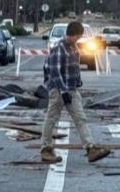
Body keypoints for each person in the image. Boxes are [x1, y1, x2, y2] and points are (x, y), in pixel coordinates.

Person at [40, 20, 111, 165]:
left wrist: (76, 84)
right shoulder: (59, 49)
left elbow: (74, 68)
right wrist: (62, 90)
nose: (79, 39)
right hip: (57, 90)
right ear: (71, 34)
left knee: (81, 118)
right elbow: (54, 72)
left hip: (71, 89)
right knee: (52, 118)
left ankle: (91, 148)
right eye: (78, 36)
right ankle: (46, 150)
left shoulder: (73, 47)